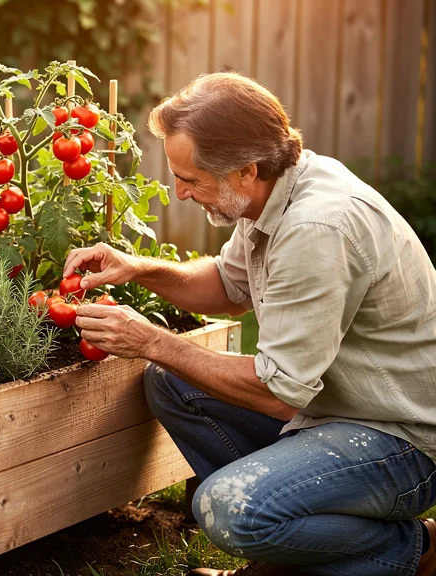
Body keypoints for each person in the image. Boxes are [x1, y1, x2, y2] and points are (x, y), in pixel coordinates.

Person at [67, 72, 436, 576]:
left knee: (229, 509)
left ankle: (411, 550)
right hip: (333, 408)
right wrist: (139, 268)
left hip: (397, 439)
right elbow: (226, 284)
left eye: (191, 179)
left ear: (246, 170)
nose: (178, 193)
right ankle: (290, 545)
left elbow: (277, 392)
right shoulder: (276, 189)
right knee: (172, 384)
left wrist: (151, 338)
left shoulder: (315, 229)